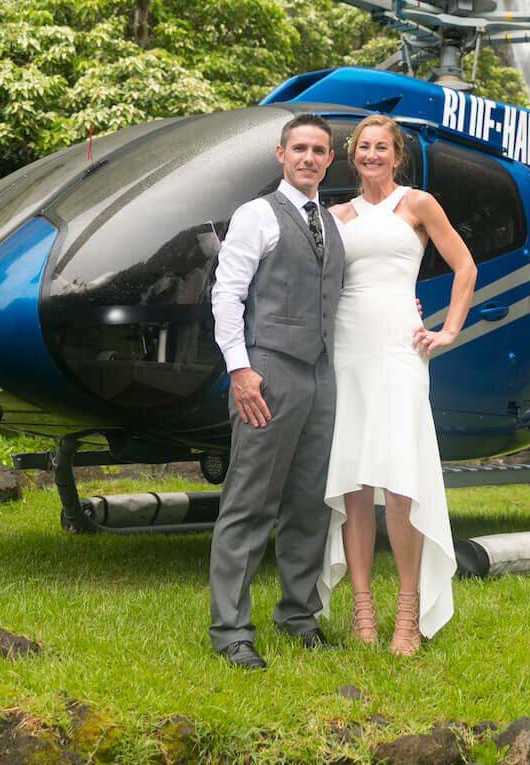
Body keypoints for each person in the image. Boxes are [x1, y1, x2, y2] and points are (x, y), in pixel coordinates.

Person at [322, 113, 476, 655]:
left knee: (400, 483)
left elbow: (464, 266)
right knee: (354, 482)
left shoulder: (418, 204)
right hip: (347, 349)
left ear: (397, 154)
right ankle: (363, 614)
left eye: (381, 147)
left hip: (399, 350)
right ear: (351, 154)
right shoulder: (335, 215)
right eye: (363, 147)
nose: (371, 155)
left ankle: (407, 615)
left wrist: (449, 329)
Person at [206, 113, 347, 670]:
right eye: (300, 149)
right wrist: (240, 371)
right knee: (250, 501)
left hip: (322, 375)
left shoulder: (331, 223)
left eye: (318, 150)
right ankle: (230, 629)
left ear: (329, 159)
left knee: (311, 502)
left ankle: (297, 614)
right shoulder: (257, 214)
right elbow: (226, 296)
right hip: (268, 373)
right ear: (280, 155)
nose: (309, 157)